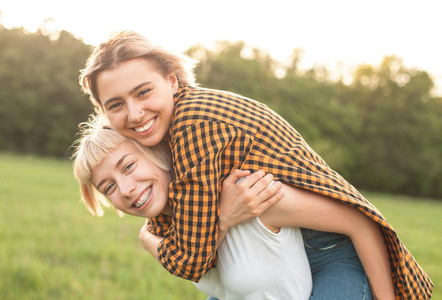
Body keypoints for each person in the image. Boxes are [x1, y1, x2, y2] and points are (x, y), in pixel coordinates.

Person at [78, 30, 433, 299]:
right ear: (104, 113)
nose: (135, 113)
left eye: (143, 92)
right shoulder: (169, 148)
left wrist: (149, 240)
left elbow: (189, 260)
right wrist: (219, 219)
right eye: (116, 105)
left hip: (327, 245)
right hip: (272, 249)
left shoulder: (194, 129)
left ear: (172, 80)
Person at [72, 125, 394, 299]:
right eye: (108, 187)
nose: (126, 189)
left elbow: (360, 222)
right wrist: (220, 221)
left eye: (128, 166)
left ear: (158, 154)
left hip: (329, 256)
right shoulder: (157, 232)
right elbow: (201, 262)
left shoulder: (250, 195)